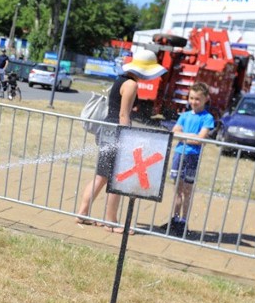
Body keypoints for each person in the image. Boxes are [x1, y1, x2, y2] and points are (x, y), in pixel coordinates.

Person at [75, 48, 167, 233]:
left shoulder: (121, 80)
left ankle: (82, 213)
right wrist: (128, 139)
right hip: (117, 131)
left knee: (102, 176)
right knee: (117, 179)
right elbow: (123, 115)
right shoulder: (132, 85)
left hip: (108, 130)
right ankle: (111, 221)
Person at [167, 82, 213, 236]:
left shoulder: (207, 118)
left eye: (197, 99)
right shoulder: (184, 115)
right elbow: (175, 133)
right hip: (179, 154)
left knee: (187, 190)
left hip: (192, 156)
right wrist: (191, 136)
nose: (193, 102)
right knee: (177, 189)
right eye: (191, 98)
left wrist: (187, 137)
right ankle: (174, 218)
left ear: (206, 99)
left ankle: (184, 221)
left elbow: (199, 139)